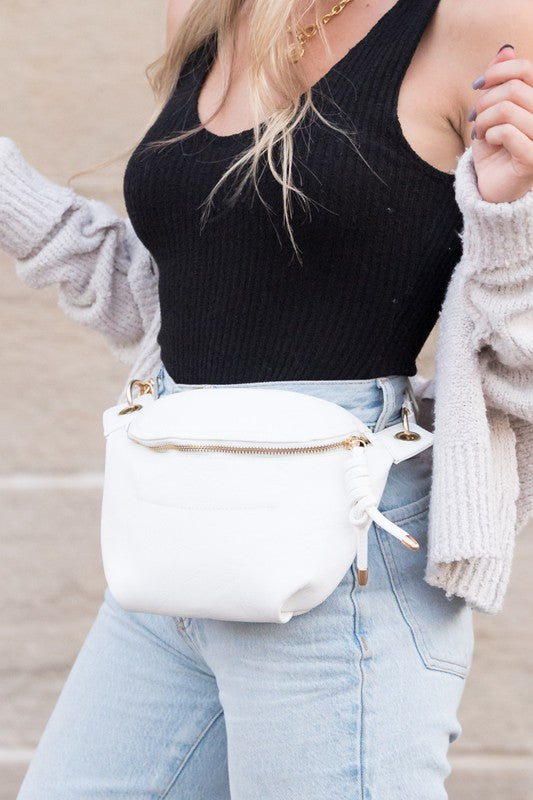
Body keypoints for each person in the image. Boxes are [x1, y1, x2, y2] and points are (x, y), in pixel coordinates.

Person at [1, 0, 532, 797]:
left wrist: (511, 222)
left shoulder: (479, 24)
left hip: (344, 566)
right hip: (172, 545)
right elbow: (176, 302)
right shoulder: (209, 14)